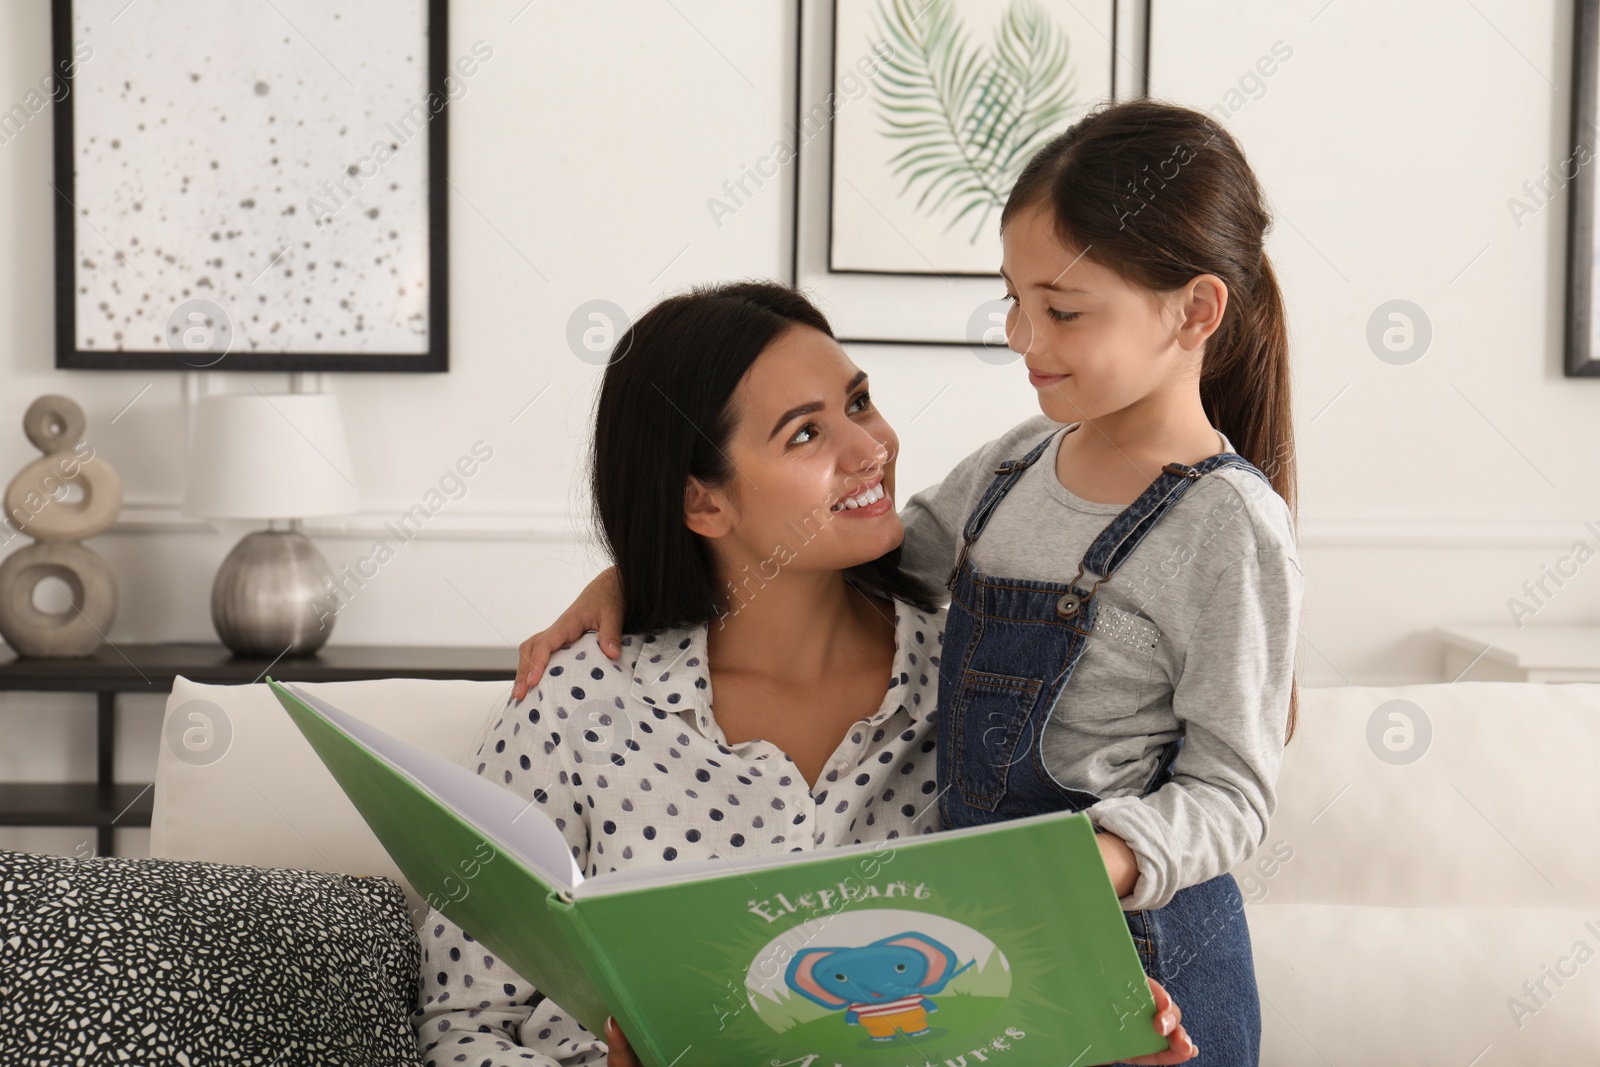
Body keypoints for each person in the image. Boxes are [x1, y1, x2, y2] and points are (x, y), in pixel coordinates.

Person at [515, 97, 1302, 1067]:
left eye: (1060, 309)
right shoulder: (1015, 465)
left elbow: (1233, 792)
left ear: (1194, 310)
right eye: (1012, 297)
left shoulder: (1227, 525)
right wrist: (637, 573)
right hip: (1010, 935)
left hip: (1141, 951)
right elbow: (864, 550)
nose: (1021, 335)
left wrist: (1091, 862)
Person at [413, 279, 1199, 1066]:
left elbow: (1016, 980)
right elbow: (463, 1020)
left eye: (858, 403)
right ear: (702, 502)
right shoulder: (577, 701)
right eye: (803, 435)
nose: (871, 450)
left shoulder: (976, 682)